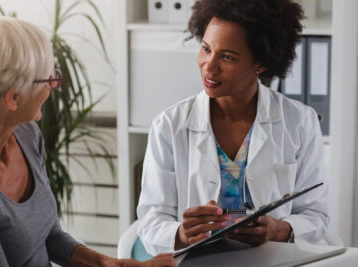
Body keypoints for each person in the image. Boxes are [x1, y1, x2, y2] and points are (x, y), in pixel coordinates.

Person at [0, 17, 175, 267]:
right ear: (13, 98)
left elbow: (49, 237)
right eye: (47, 79)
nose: (53, 86)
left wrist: (113, 265)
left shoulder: (26, 134)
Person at [137, 0, 329, 255]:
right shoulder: (169, 126)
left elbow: (316, 215)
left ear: (261, 63)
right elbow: (150, 222)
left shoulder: (300, 122)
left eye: (227, 57)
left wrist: (278, 229)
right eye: (206, 49)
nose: (209, 65)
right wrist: (181, 234)